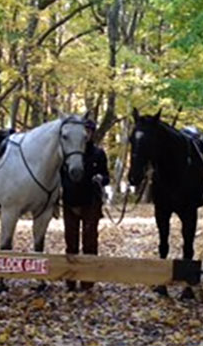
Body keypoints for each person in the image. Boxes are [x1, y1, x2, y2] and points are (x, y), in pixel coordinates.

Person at [60, 118, 109, 291]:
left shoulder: (98, 153)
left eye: (90, 130)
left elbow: (106, 176)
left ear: (92, 133)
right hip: (70, 202)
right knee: (71, 243)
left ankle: (88, 280)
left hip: (91, 202)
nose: (87, 133)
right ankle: (71, 279)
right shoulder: (67, 153)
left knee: (90, 242)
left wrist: (101, 179)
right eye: (85, 130)